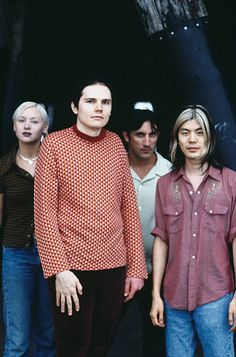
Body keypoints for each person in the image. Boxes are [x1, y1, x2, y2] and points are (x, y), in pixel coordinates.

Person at [34, 78, 147, 357]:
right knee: (74, 349)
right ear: (74, 106)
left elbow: (129, 210)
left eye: (105, 102)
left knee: (100, 347)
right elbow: (44, 212)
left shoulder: (116, 146)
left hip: (114, 266)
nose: (99, 108)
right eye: (91, 101)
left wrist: (135, 269)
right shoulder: (54, 146)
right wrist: (59, 270)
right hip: (71, 270)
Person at [150, 104, 236, 357]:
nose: (192, 139)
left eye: (199, 132)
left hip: (216, 297)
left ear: (209, 137)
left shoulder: (230, 182)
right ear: (177, 138)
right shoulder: (165, 184)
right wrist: (156, 295)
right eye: (185, 132)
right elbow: (161, 239)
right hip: (174, 298)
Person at [109, 102, 171, 357]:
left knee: (155, 335)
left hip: (157, 271)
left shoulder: (169, 172)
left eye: (152, 134)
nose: (147, 141)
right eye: (139, 134)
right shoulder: (111, 169)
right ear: (126, 135)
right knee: (104, 333)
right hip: (117, 268)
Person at [0, 101, 55, 356]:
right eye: (21, 120)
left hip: (51, 257)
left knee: (47, 335)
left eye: (34, 121)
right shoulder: (4, 167)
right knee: (17, 338)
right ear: (13, 126)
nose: (27, 125)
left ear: (45, 127)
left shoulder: (56, 165)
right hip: (16, 256)